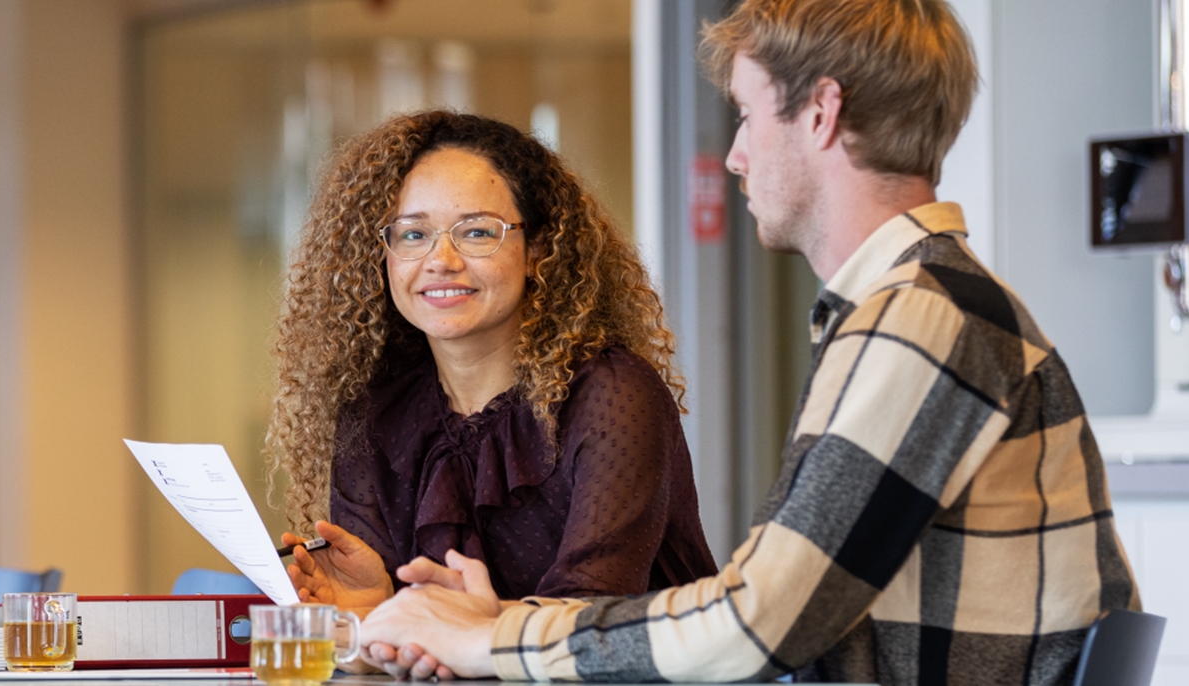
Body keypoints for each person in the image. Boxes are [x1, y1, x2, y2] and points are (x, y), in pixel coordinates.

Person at [355, 1, 1140, 683]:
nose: (733, 154)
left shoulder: (923, 323)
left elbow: (757, 623)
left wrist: (496, 635)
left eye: (746, 114)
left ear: (821, 113)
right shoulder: (923, 309)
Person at [266, 111, 720, 617]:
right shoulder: (376, 413)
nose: (441, 259)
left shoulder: (613, 397)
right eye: (413, 235)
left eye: (478, 233)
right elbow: (405, 638)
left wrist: (472, 626)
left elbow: (590, 616)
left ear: (539, 250)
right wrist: (378, 609)